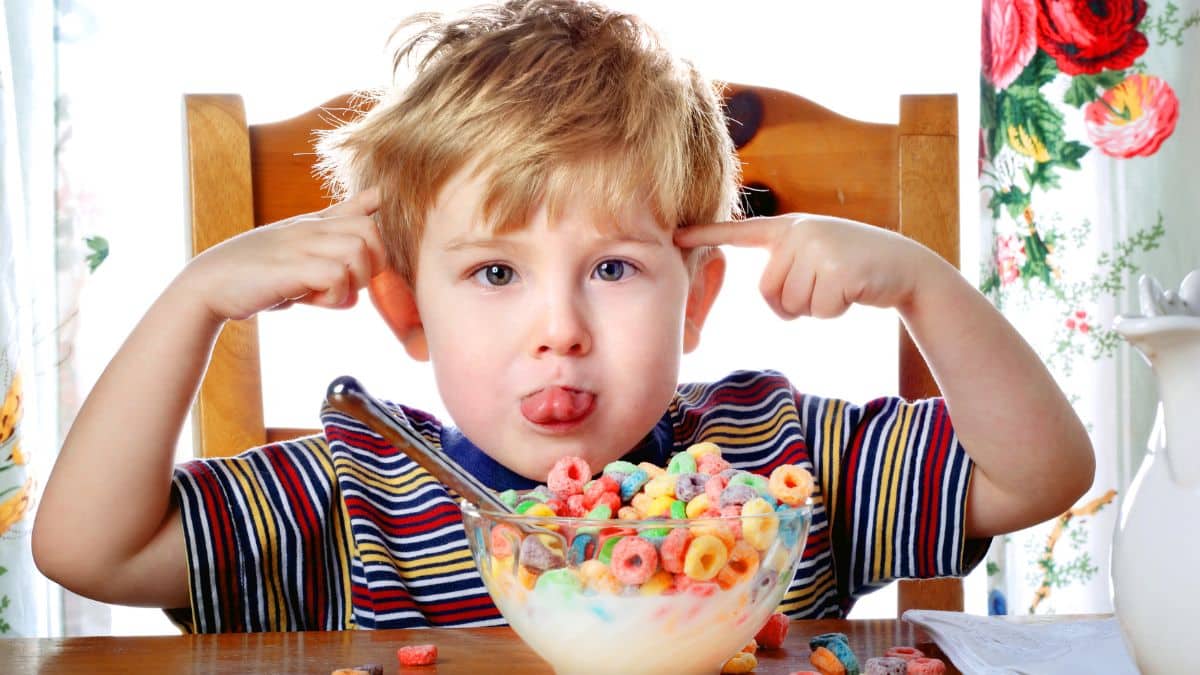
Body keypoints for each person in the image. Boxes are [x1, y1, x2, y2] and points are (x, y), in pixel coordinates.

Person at [33, 0, 1094, 632]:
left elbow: (1037, 476)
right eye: (495, 274)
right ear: (409, 311)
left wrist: (926, 286)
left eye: (616, 270)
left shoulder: (779, 466)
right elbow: (91, 554)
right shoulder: (356, 503)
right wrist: (192, 302)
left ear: (698, 301)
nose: (561, 329)